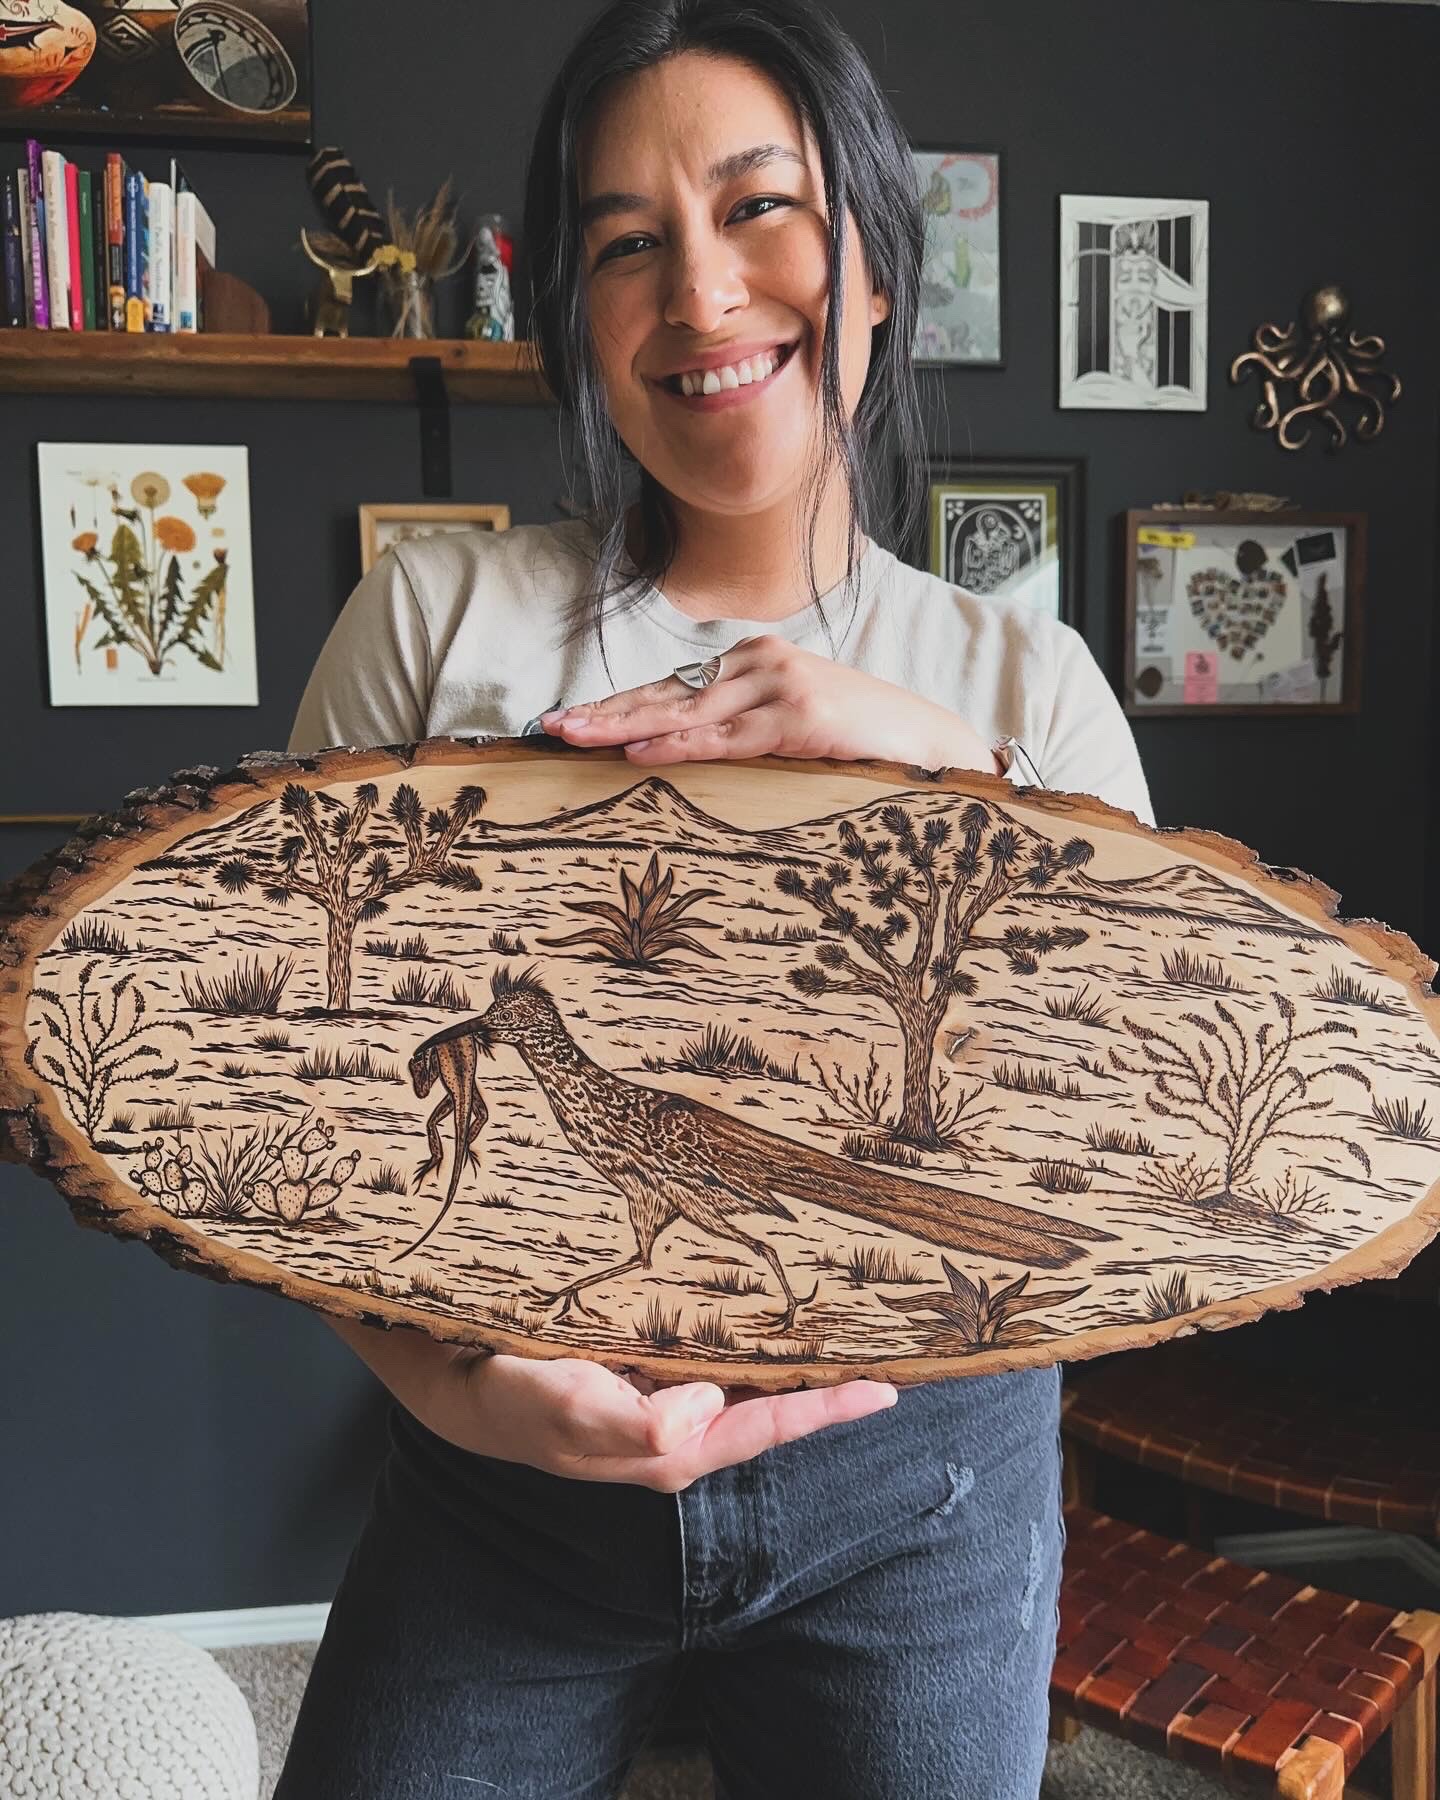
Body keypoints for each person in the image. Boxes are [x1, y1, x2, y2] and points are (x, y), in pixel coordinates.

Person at [276, 3, 1154, 1795]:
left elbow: (1128, 1102)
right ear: (578, 323)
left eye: (760, 206)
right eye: (625, 244)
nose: (702, 292)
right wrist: (450, 1385)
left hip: (925, 1490)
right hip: (506, 1494)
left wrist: (934, 766)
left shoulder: (1025, 681)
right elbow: (299, 1110)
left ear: (877, 265)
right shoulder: (436, 625)